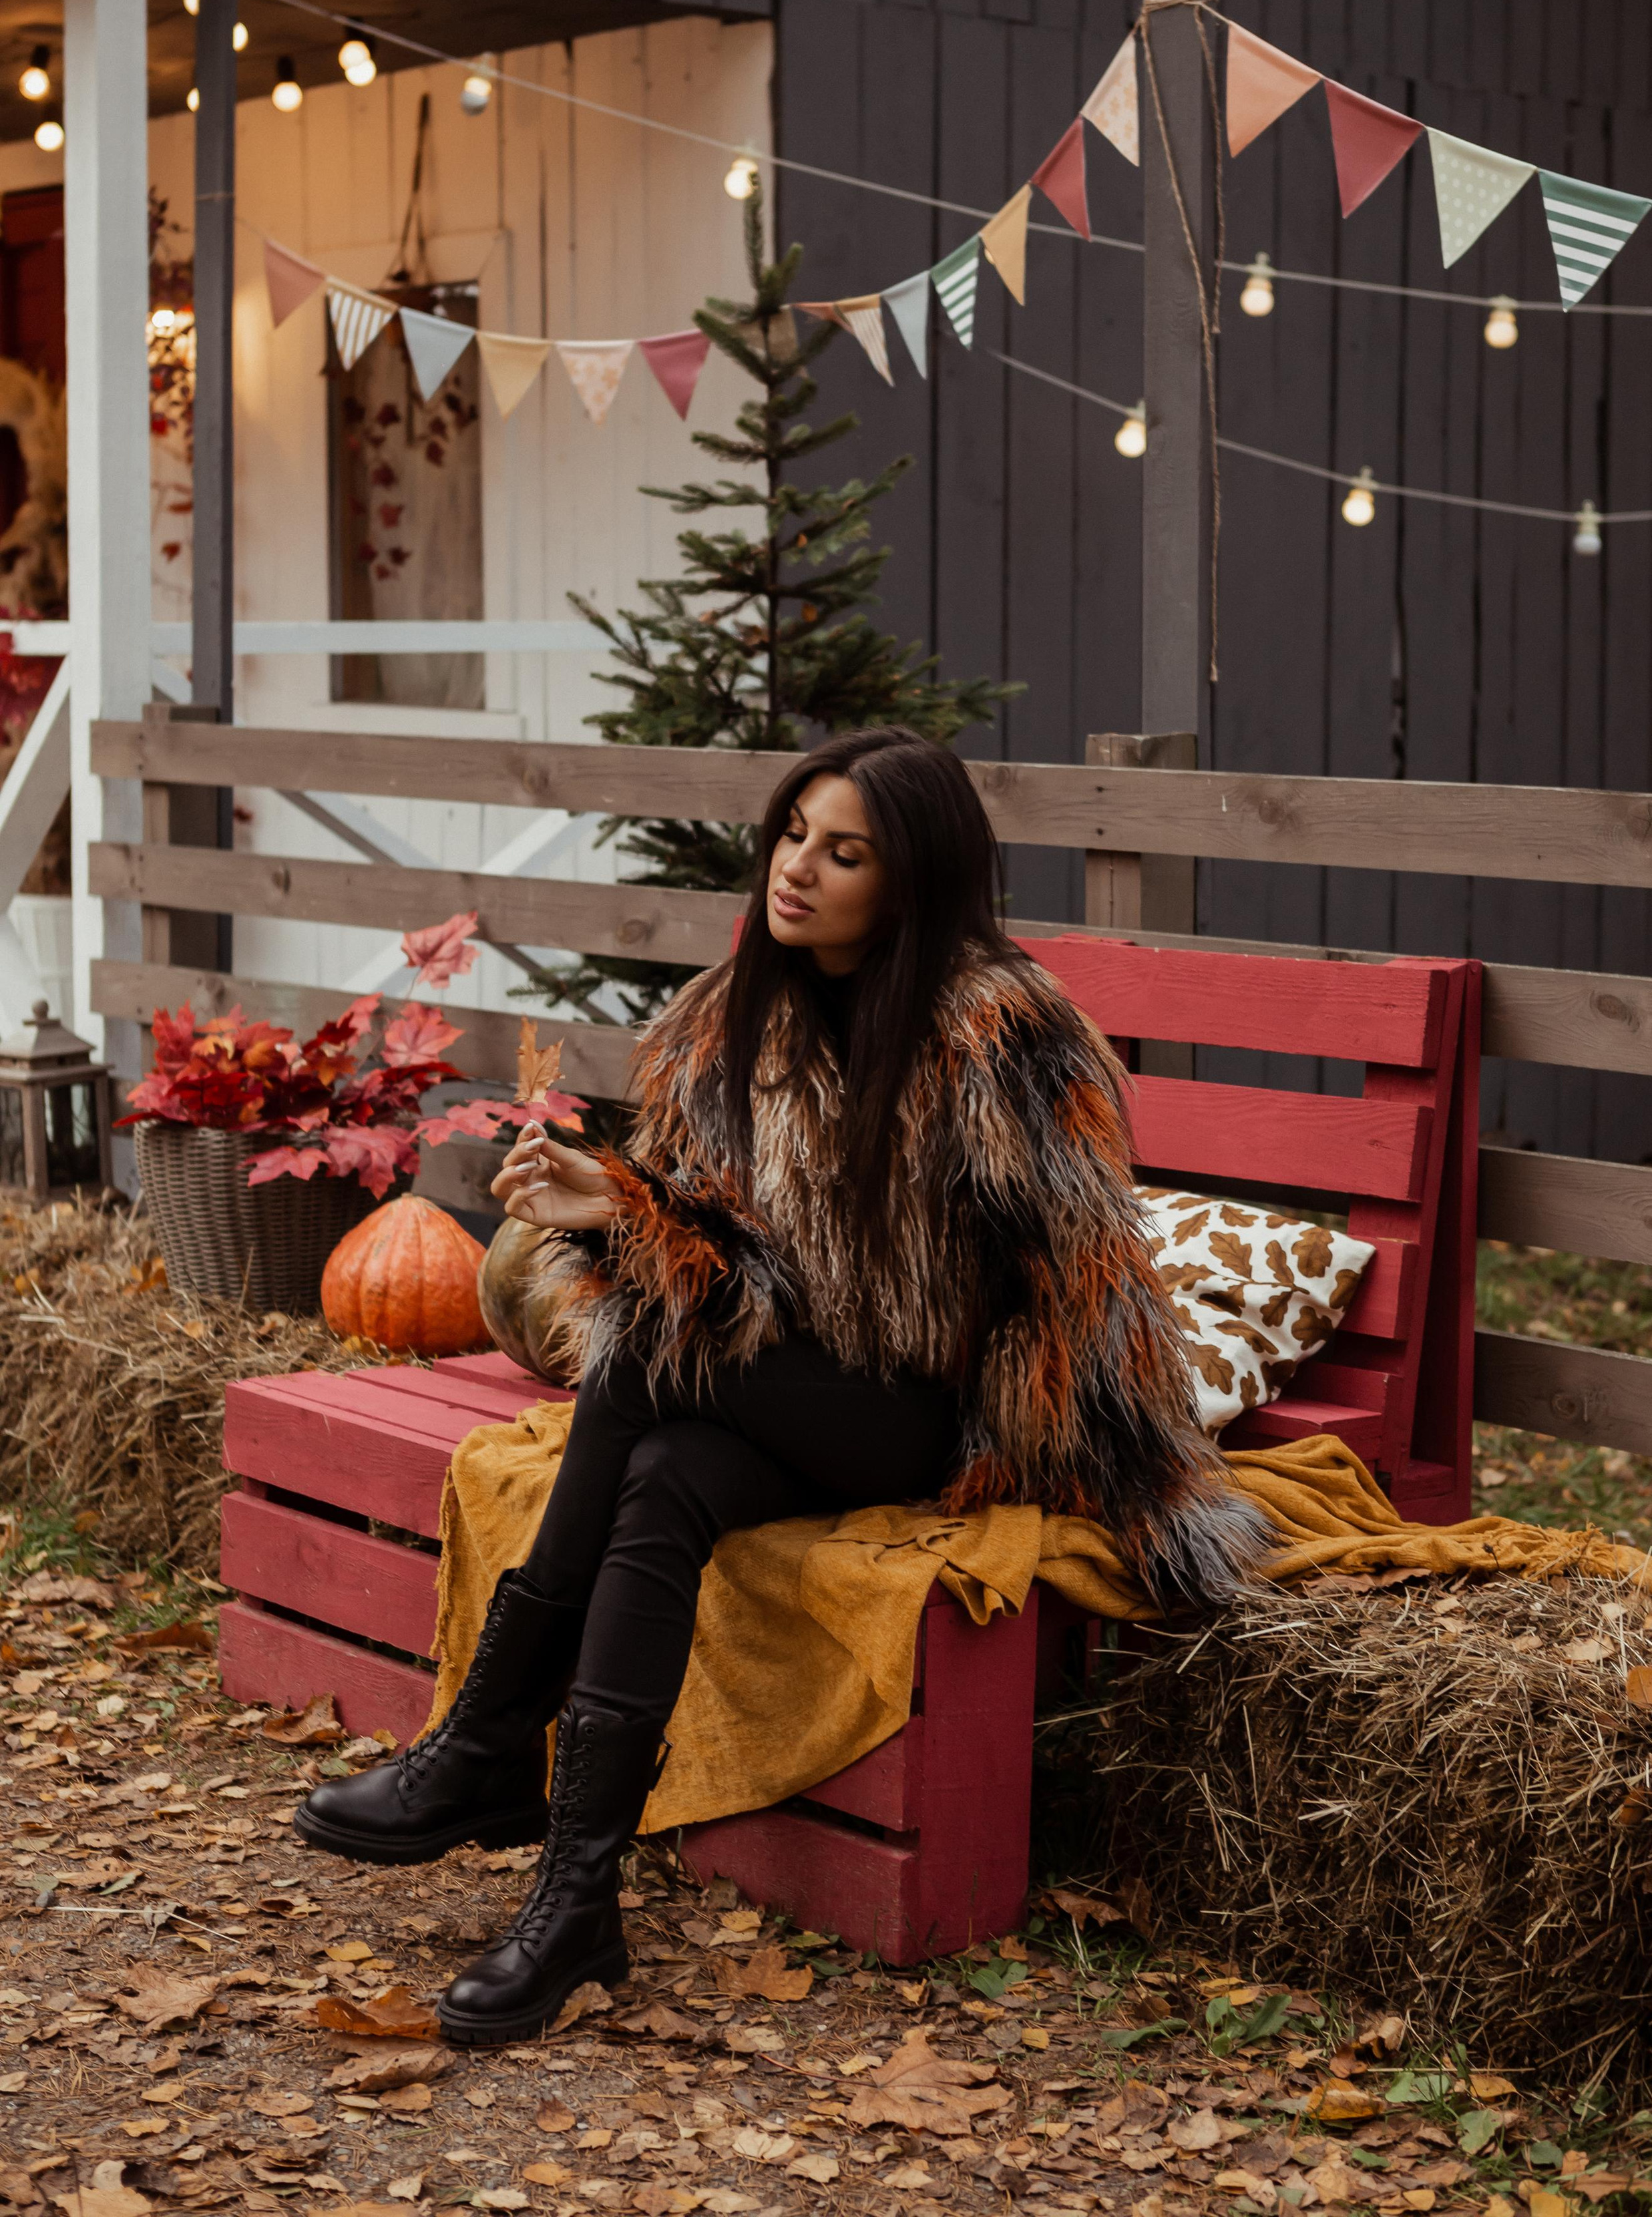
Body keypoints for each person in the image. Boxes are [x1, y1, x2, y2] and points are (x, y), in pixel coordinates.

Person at [294, 725, 1269, 2043]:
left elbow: (1068, 1285)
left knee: (641, 1369)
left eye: (844, 851)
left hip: (938, 1416)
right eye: (793, 833)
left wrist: (653, 1236)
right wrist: (622, 1208)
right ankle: (574, 1899)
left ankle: (483, 1742)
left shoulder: (1000, 1035)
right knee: (659, 1479)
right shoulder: (727, 1016)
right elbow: (732, 1266)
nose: (797, 869)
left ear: (909, 880)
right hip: (777, 1388)